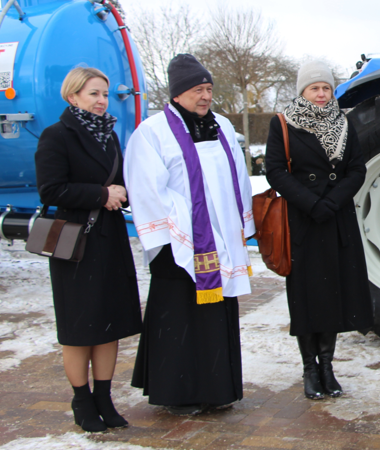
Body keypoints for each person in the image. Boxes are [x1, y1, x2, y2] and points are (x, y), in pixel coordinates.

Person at [125, 53, 255, 416]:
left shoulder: (223, 127)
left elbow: (238, 179)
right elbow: (147, 187)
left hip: (220, 241)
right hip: (177, 243)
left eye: (209, 89)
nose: (205, 96)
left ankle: (217, 388)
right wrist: (179, 235)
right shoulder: (152, 133)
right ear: (178, 94)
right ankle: (176, 391)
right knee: (179, 317)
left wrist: (238, 227)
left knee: (215, 316)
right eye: (198, 89)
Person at [34, 67, 142, 432]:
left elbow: (122, 180)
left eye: (105, 94)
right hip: (75, 243)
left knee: (108, 323)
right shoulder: (56, 136)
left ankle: (104, 398)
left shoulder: (109, 137)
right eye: (93, 94)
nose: (101, 101)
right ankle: (81, 399)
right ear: (73, 96)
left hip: (109, 239)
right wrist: (101, 194)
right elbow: (51, 190)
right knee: (80, 326)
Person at [265, 60, 373, 400]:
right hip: (304, 222)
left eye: (326, 88)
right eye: (315, 88)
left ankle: (327, 366)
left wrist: (334, 200)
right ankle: (309, 369)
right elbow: (275, 170)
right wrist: (312, 204)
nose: (322, 94)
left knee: (334, 297)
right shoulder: (282, 124)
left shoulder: (344, 123)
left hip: (337, 220)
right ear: (303, 92)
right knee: (308, 298)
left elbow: (357, 169)